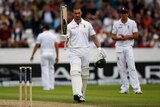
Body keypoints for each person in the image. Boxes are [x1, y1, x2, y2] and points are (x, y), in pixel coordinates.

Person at [61, 6, 105, 103]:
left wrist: (99, 49)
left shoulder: (87, 24)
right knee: (75, 71)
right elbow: (65, 40)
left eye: (78, 13)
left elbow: (94, 37)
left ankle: (82, 94)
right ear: (73, 14)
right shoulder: (68, 26)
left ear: (81, 13)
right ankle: (77, 93)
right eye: (75, 13)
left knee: (85, 75)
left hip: (86, 51)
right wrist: (63, 39)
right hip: (74, 51)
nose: (77, 15)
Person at [111, 7, 142, 94]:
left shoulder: (132, 23)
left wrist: (126, 37)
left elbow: (136, 36)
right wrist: (119, 38)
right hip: (119, 48)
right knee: (121, 69)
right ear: (120, 14)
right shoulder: (116, 24)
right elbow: (112, 36)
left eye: (125, 13)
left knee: (132, 67)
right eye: (122, 13)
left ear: (127, 13)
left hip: (128, 47)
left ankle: (137, 88)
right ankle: (125, 88)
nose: (123, 14)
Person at [30, 25, 59, 90]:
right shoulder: (53, 35)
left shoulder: (41, 35)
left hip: (44, 54)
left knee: (45, 70)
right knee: (51, 69)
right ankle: (52, 86)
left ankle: (46, 87)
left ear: (43, 29)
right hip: (51, 54)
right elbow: (56, 46)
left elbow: (36, 45)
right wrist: (57, 56)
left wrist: (32, 55)